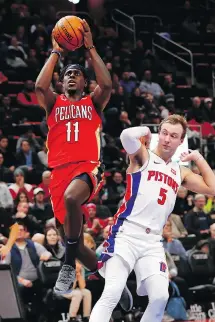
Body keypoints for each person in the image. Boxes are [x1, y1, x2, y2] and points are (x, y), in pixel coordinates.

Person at [35, 18, 131, 310]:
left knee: (71, 202)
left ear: (83, 81)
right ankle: (113, 281)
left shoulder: (93, 103)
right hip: (60, 172)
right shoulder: (54, 104)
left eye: (77, 74)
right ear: (62, 82)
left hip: (88, 167)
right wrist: (55, 53)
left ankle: (66, 265)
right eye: (68, 75)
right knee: (73, 242)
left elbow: (106, 83)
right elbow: (40, 86)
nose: (73, 77)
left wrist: (89, 47)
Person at [89, 114, 215, 322]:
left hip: (152, 242)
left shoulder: (179, 171)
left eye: (173, 136)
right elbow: (126, 135)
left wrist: (198, 158)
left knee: (160, 297)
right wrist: (145, 132)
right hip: (126, 234)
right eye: (164, 133)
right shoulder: (143, 156)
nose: (167, 139)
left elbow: (211, 188)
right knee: (112, 292)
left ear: (181, 141)